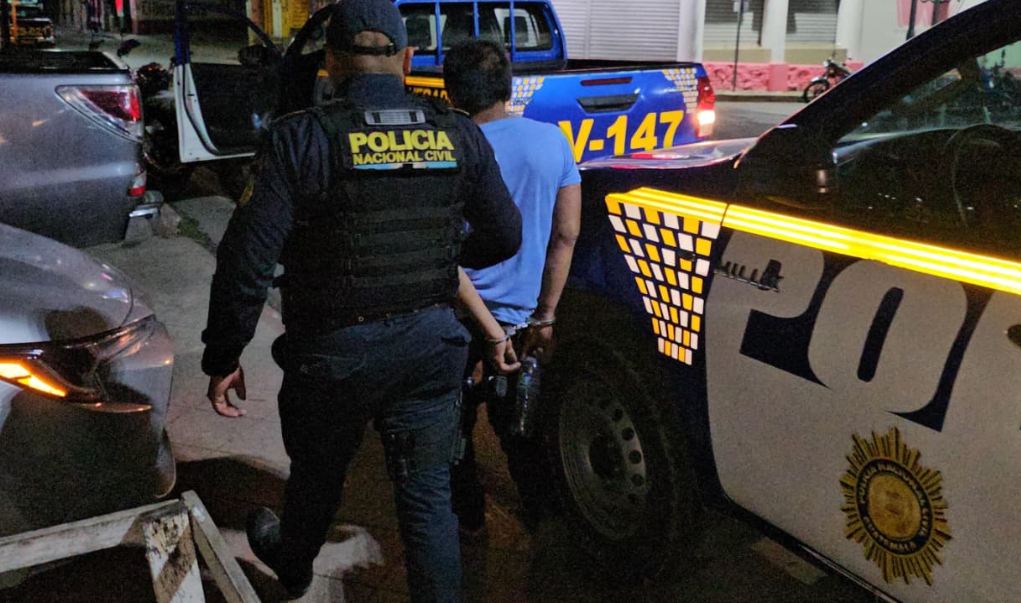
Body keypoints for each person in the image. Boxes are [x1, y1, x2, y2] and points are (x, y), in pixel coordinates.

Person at [199, 1, 522, 600]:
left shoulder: (300, 137)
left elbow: (246, 259)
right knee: (427, 499)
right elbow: (506, 236)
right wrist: (436, 259)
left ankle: (293, 566)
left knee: (318, 474)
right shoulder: (458, 131)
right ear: (408, 59)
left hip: (334, 352)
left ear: (330, 62)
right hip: (431, 346)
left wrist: (224, 353)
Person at [442, 39, 582, 532]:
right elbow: (566, 234)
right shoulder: (552, 141)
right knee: (519, 427)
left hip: (454, 316)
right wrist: (546, 315)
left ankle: (469, 519)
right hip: (521, 319)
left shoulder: (449, 147)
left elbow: (441, 251)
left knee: (453, 427)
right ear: (509, 87)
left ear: (451, 92)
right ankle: (539, 517)